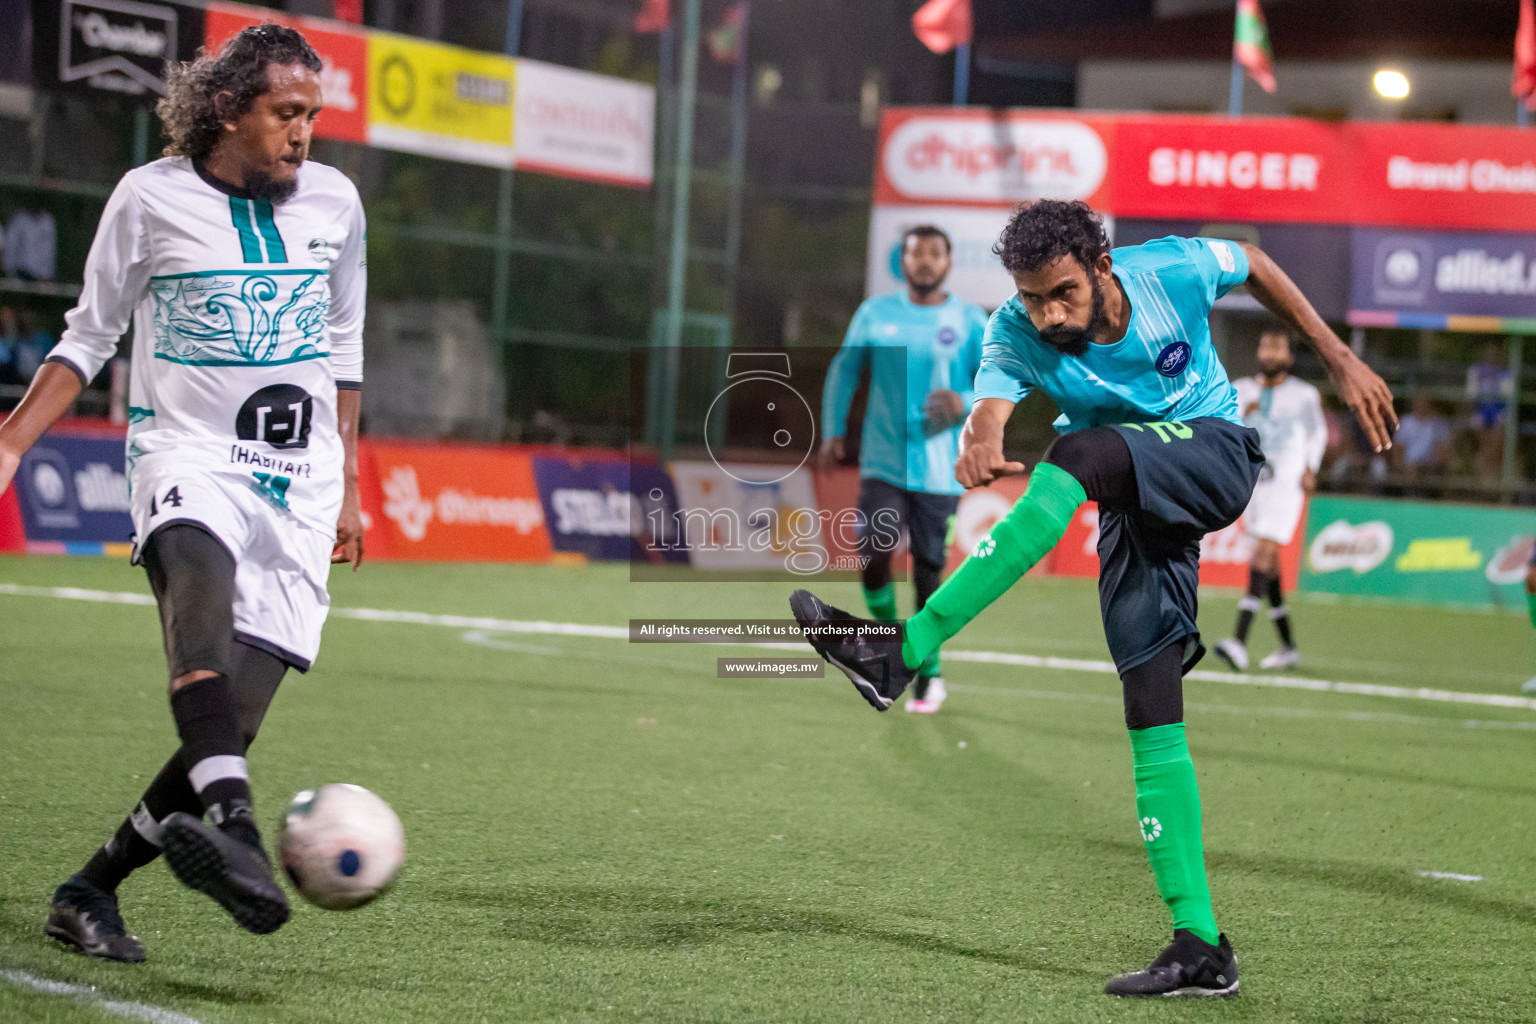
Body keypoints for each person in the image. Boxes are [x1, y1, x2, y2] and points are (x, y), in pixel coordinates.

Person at [789, 201, 1395, 997]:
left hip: (1213, 454)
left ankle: (901, 651)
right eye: (1033, 297)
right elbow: (990, 407)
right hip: (1133, 500)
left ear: (1101, 268)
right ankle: (1201, 943)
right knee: (1149, 702)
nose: (1048, 314)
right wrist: (980, 436)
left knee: (1076, 447)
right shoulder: (1015, 327)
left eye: (1062, 293)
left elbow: (1250, 258)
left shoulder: (1168, 271)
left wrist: (1337, 356)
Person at [0, 25, 366, 962]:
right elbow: (88, 337)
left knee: (233, 718)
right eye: (287, 114)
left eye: (313, 116)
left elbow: (343, 351)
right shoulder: (149, 198)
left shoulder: (335, 202)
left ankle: (91, 887)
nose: (304, 134)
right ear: (226, 110)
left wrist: (351, 488)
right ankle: (237, 833)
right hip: (187, 453)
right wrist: (9, 445)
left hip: (303, 482)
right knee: (196, 614)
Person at [818, 225, 986, 713]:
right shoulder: (876, 314)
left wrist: (967, 400)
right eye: (916, 253)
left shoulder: (970, 320)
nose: (925, 262)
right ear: (904, 261)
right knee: (872, 556)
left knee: (929, 578)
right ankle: (885, 647)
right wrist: (832, 431)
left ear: (949, 262)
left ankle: (928, 672)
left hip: (940, 471)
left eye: (935, 253)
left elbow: (1001, 381)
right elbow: (845, 370)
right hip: (882, 463)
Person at [1213, 328, 1326, 672]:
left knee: (1263, 553)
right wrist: (1238, 414)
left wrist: (1311, 467)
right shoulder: (1241, 389)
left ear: (1289, 357)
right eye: (1265, 346)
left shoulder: (1304, 395)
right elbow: (1220, 426)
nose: (1270, 352)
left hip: (1286, 484)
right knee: (1269, 569)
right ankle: (1288, 646)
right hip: (1253, 486)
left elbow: (1317, 432)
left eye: (1278, 347)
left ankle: (1238, 641)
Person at [1467, 342, 1512, 482]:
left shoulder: (1505, 373)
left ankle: (1485, 466)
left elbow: (1507, 399)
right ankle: (1487, 468)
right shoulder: (1476, 370)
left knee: (1500, 429)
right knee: (1476, 423)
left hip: (1498, 412)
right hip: (1481, 410)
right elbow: (1471, 395)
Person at [1391, 389, 1453, 489]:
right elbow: (1397, 450)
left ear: (1430, 403)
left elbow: (1443, 454)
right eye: (1418, 401)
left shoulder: (1439, 425)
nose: (1421, 404)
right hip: (1407, 467)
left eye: (1424, 401)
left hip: (1429, 468)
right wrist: (1402, 467)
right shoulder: (1405, 423)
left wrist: (1424, 467)